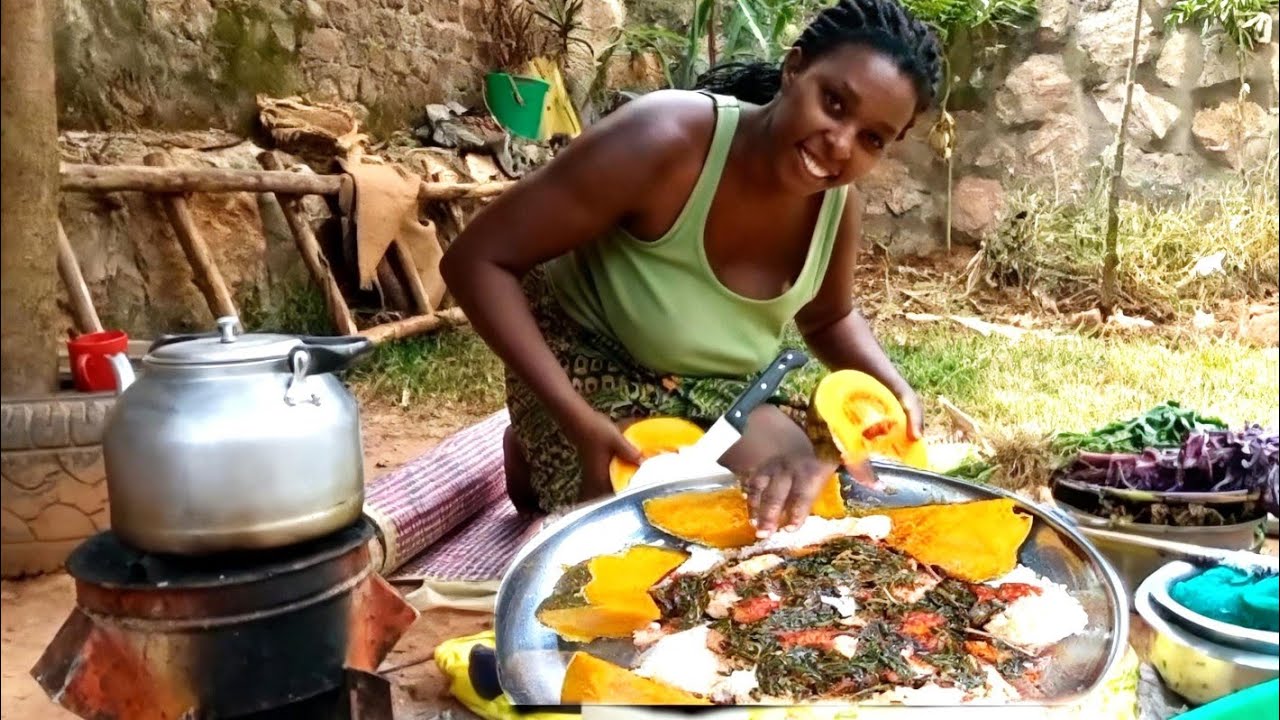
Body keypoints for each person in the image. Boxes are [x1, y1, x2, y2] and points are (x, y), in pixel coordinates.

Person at [441, 0, 942, 536]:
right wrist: (571, 416)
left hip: (719, 383)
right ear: (794, 68)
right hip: (589, 361)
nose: (841, 145)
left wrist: (891, 384)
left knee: (798, 501)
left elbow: (829, 318)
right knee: (651, 522)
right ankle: (533, 451)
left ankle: (575, 452)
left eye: (872, 139)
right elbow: (477, 260)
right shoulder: (665, 140)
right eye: (835, 104)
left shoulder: (839, 209)